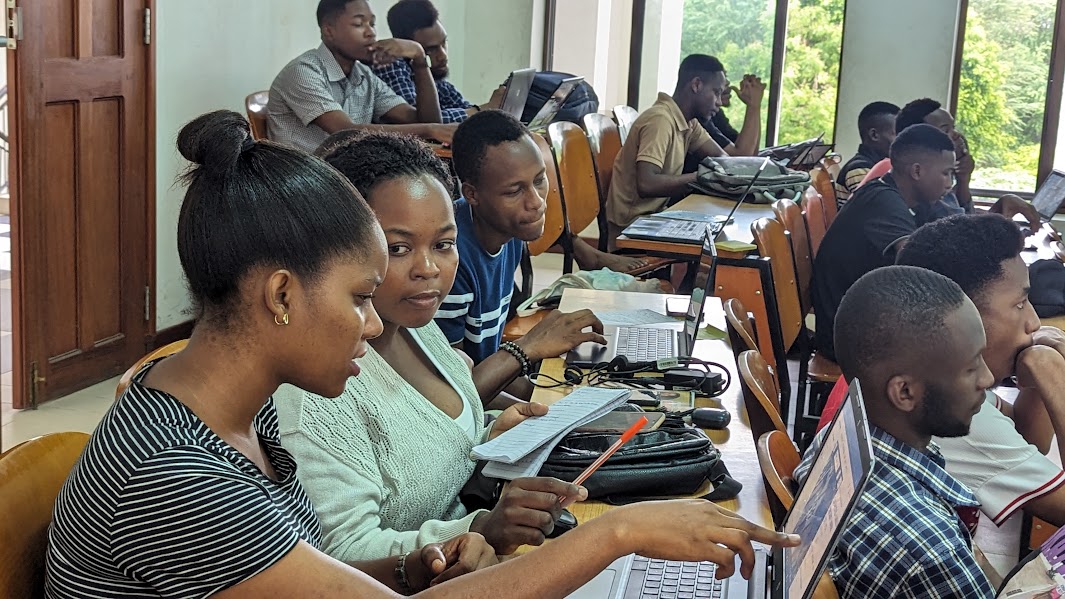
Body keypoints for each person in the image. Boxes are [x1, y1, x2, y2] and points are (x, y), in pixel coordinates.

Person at [45, 110, 799, 598]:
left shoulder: (236, 419)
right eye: (357, 299)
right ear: (280, 295)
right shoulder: (174, 473)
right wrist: (620, 532)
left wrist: (416, 563)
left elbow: (314, 566)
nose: (373, 328)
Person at [276, 131, 599, 561]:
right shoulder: (314, 394)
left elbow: (434, 443)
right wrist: (481, 528)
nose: (428, 269)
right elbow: (345, 554)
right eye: (399, 248)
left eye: (443, 244)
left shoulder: (415, 322)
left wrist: (491, 433)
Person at [799, 265, 997, 598]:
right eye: (971, 366)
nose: (988, 379)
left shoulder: (834, 443)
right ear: (904, 392)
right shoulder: (933, 552)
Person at [437, 109, 647, 372]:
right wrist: (529, 352)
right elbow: (455, 393)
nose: (536, 202)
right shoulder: (448, 261)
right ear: (472, 194)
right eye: (515, 191)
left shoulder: (509, 230)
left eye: (539, 180)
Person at [895, 214, 1065, 527]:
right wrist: (1056, 375)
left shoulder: (916, 363)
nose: (1034, 322)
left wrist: (1037, 370)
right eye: (1019, 303)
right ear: (961, 317)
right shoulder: (952, 411)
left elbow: (1024, 435)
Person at [812, 123, 956, 362]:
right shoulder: (882, 202)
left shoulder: (906, 199)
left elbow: (955, 226)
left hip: (862, 325)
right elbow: (917, 264)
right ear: (917, 171)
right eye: (946, 173)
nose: (950, 183)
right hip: (847, 340)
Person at [267, 0, 455, 153]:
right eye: (359, 24)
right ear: (328, 31)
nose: (371, 32)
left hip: (346, 177)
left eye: (372, 24)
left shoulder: (364, 75)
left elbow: (425, 120)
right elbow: (344, 131)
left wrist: (420, 60)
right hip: (303, 184)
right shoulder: (304, 71)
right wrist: (430, 130)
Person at [604, 54, 739, 249]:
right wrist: (702, 177)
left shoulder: (689, 122)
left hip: (656, 217)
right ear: (696, 85)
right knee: (715, 244)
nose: (719, 102)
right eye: (716, 92)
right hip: (631, 228)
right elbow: (647, 184)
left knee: (719, 232)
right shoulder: (660, 120)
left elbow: (723, 160)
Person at [857, 98, 1041, 226]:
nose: (956, 135)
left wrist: (963, 180)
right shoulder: (905, 176)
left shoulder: (934, 177)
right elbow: (959, 232)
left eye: (954, 127)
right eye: (945, 130)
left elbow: (960, 221)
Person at [375, 0, 504, 123]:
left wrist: (490, 109)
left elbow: (463, 107)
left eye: (444, 43)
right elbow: (423, 121)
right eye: (430, 49)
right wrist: (480, 110)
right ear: (406, 46)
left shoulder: (439, 81)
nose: (443, 56)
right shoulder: (390, 65)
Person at [833, 101, 898, 208]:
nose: (901, 139)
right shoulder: (858, 169)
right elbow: (882, 210)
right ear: (874, 135)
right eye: (896, 134)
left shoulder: (875, 164)